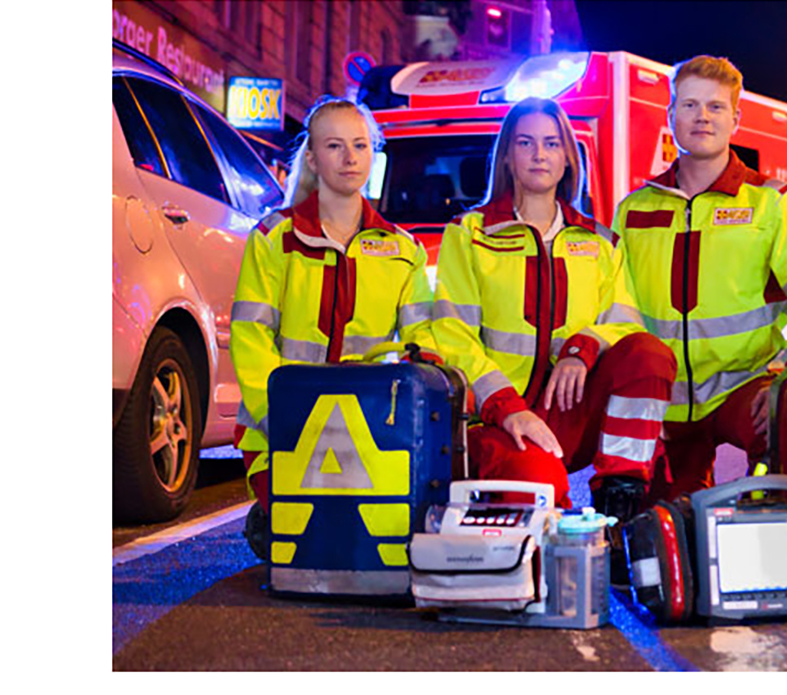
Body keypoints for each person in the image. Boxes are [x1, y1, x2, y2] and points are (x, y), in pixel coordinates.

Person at [612, 55, 787, 503]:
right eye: (689, 105)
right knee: (669, 533)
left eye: (716, 107)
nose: (702, 116)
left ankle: (777, 537)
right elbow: (612, 305)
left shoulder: (774, 202)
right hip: (661, 400)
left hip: (744, 389)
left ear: (735, 119)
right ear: (670, 116)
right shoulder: (634, 209)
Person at [432, 97, 676, 520]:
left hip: (571, 411)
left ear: (568, 157)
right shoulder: (468, 234)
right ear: (507, 156)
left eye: (551, 143)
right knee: (543, 487)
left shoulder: (601, 242)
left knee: (650, 355)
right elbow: (453, 334)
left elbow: (626, 324)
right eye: (525, 143)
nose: (539, 154)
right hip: (498, 419)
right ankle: (548, 546)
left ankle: (619, 499)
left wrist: (583, 348)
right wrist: (507, 408)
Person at [230, 96, 436, 560]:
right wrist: (280, 414)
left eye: (360, 146)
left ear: (373, 155)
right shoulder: (273, 239)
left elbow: (422, 345)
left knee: (366, 548)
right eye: (335, 146)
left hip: (373, 429)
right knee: (307, 545)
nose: (349, 158)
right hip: (280, 426)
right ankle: (273, 512)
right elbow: (250, 337)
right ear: (312, 158)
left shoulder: (405, 250)